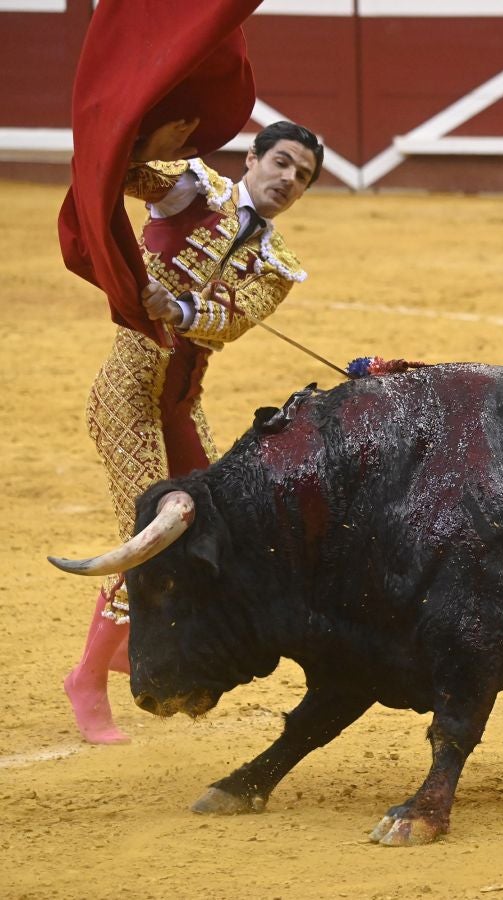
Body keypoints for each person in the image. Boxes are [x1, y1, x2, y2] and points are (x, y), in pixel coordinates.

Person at [65, 118, 324, 744]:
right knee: (151, 534)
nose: (289, 181)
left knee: (206, 523)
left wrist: (177, 308)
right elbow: (116, 172)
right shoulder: (193, 190)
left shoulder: (279, 265)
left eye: (304, 177)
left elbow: (226, 324)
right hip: (128, 394)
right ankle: (87, 679)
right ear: (254, 159)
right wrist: (150, 142)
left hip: (180, 402)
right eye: (283, 163)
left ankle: (131, 646)